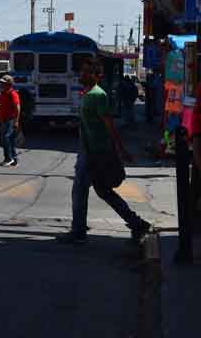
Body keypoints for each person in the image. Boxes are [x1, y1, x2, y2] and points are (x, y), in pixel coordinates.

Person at [57, 58, 152, 245]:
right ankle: (137, 223)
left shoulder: (97, 95)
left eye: (86, 72)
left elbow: (110, 126)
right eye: (82, 71)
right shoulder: (88, 94)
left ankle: (78, 230)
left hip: (96, 153)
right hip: (88, 151)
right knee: (103, 192)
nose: (82, 75)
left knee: (80, 190)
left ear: (97, 76)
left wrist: (121, 151)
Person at [0, 75, 21, 167]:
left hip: (10, 120)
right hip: (3, 120)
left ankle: (9, 158)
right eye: (0, 82)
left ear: (9, 84)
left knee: (6, 138)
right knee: (9, 139)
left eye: (3, 83)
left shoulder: (12, 94)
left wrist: (16, 121)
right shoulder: (3, 93)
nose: (0, 84)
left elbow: (17, 108)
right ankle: (14, 159)